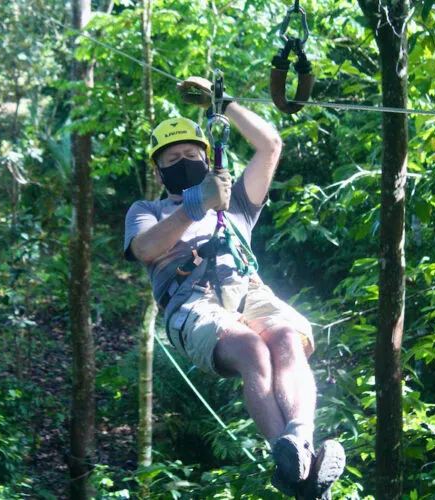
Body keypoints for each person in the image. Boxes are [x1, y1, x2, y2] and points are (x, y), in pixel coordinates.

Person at [123, 76, 344, 499]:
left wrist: (223, 104)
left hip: (247, 288)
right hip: (191, 302)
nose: (185, 160)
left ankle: (298, 441)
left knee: (285, 339)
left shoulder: (236, 200)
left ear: (207, 158)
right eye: (174, 158)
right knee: (251, 350)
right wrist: (197, 203)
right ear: (158, 170)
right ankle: (292, 467)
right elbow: (146, 248)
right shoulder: (147, 210)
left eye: (192, 153)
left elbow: (270, 146)